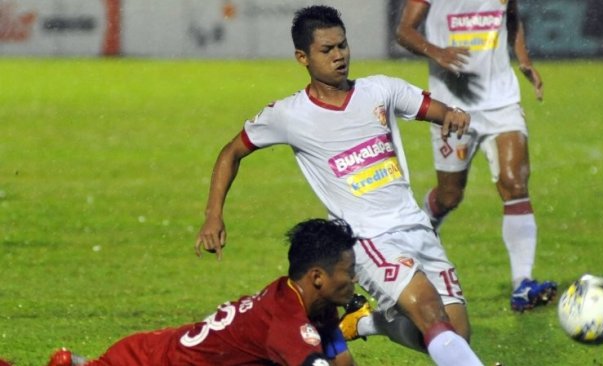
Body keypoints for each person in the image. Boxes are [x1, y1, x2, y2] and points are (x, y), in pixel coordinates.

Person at [195, 5, 484, 365]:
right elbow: (230, 153)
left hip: (417, 227)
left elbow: (437, 110)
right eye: (327, 50)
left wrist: (453, 116)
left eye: (342, 46)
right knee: (429, 311)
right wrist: (213, 215)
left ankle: (364, 323)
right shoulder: (289, 115)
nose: (339, 56)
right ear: (302, 57)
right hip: (369, 238)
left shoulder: (380, 90)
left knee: (454, 337)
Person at [395, 0, 557, 311]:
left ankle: (522, 284)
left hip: (501, 101)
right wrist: (436, 52)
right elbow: (404, 31)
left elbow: (512, 16)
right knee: (449, 196)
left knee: (515, 183)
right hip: (452, 106)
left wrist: (524, 60)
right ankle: (412, 236)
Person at [48, 218, 358, 366]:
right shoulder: (287, 322)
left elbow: (340, 358)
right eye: (350, 271)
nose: (355, 278)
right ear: (317, 277)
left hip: (158, 350)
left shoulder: (314, 304)